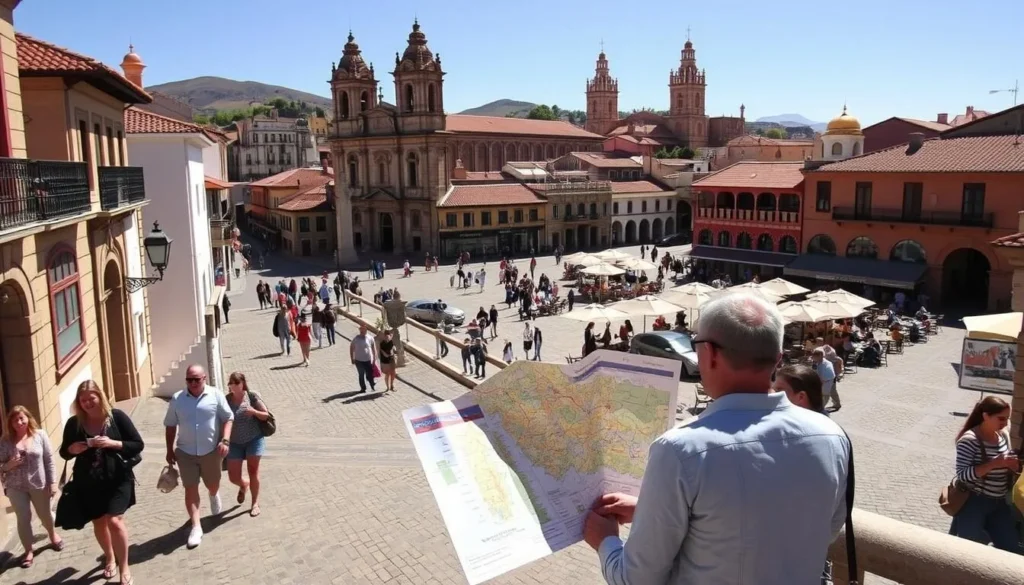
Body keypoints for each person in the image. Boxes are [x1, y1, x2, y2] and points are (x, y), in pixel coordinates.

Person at [583, 294, 850, 584]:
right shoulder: (832, 437)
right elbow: (825, 529)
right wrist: (653, 511)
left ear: (709, 353)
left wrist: (605, 541)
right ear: (778, 359)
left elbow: (635, 579)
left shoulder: (680, 450)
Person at [61, 381, 144, 584]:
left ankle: (124, 566)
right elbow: (64, 451)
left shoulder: (116, 417)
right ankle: (109, 557)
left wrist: (113, 444)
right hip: (89, 481)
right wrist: (73, 449)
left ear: (100, 396)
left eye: (91, 398)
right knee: (99, 521)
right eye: (83, 400)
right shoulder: (75, 423)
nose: (88, 403)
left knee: (114, 520)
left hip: (117, 479)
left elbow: (137, 444)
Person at [164, 365, 233, 549]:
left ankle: (213, 493)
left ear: (205, 378)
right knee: (190, 488)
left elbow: (228, 417)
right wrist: (169, 450)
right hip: (185, 453)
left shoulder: (215, 395)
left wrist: (225, 440)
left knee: (213, 483)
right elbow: (170, 426)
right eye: (189, 380)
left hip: (211, 452)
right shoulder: (178, 399)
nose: (193, 383)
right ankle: (196, 526)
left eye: (196, 379)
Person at [948, 396, 1022, 552]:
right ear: (986, 416)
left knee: (1012, 548)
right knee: (967, 551)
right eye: (1000, 418)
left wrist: (1012, 465)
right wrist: (995, 463)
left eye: (1007, 419)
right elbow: (963, 474)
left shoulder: (1002, 435)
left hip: (999, 502)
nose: (1004, 423)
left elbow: (1004, 464)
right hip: (975, 502)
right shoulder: (970, 439)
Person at [1, 406, 63, 569]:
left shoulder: (39, 435)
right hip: (16, 486)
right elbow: (1, 466)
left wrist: (53, 482)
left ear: (28, 418)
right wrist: (9, 464)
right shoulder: (5, 441)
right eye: (15, 420)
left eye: (22, 418)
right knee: (23, 518)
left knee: (44, 514)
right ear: (11, 423)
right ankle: (28, 550)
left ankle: (52, 535)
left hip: (39, 483)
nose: (20, 422)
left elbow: (48, 460)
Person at [224, 373, 270, 518]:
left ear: (242, 384)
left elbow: (266, 415)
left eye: (235, 383)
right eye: (230, 383)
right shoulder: (227, 400)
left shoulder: (252, 396)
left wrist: (254, 412)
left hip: (254, 439)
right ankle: (244, 485)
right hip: (235, 442)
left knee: (253, 470)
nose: (232, 386)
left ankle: (255, 503)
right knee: (233, 476)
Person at [350, 324, 378, 393]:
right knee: (361, 374)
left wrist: (374, 358)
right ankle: (363, 388)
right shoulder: (356, 338)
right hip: (358, 360)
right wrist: (352, 358)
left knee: (370, 374)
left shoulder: (370, 338)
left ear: (366, 330)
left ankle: (372, 385)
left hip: (368, 360)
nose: (362, 331)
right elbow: (351, 348)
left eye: (363, 329)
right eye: (361, 329)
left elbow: (374, 349)